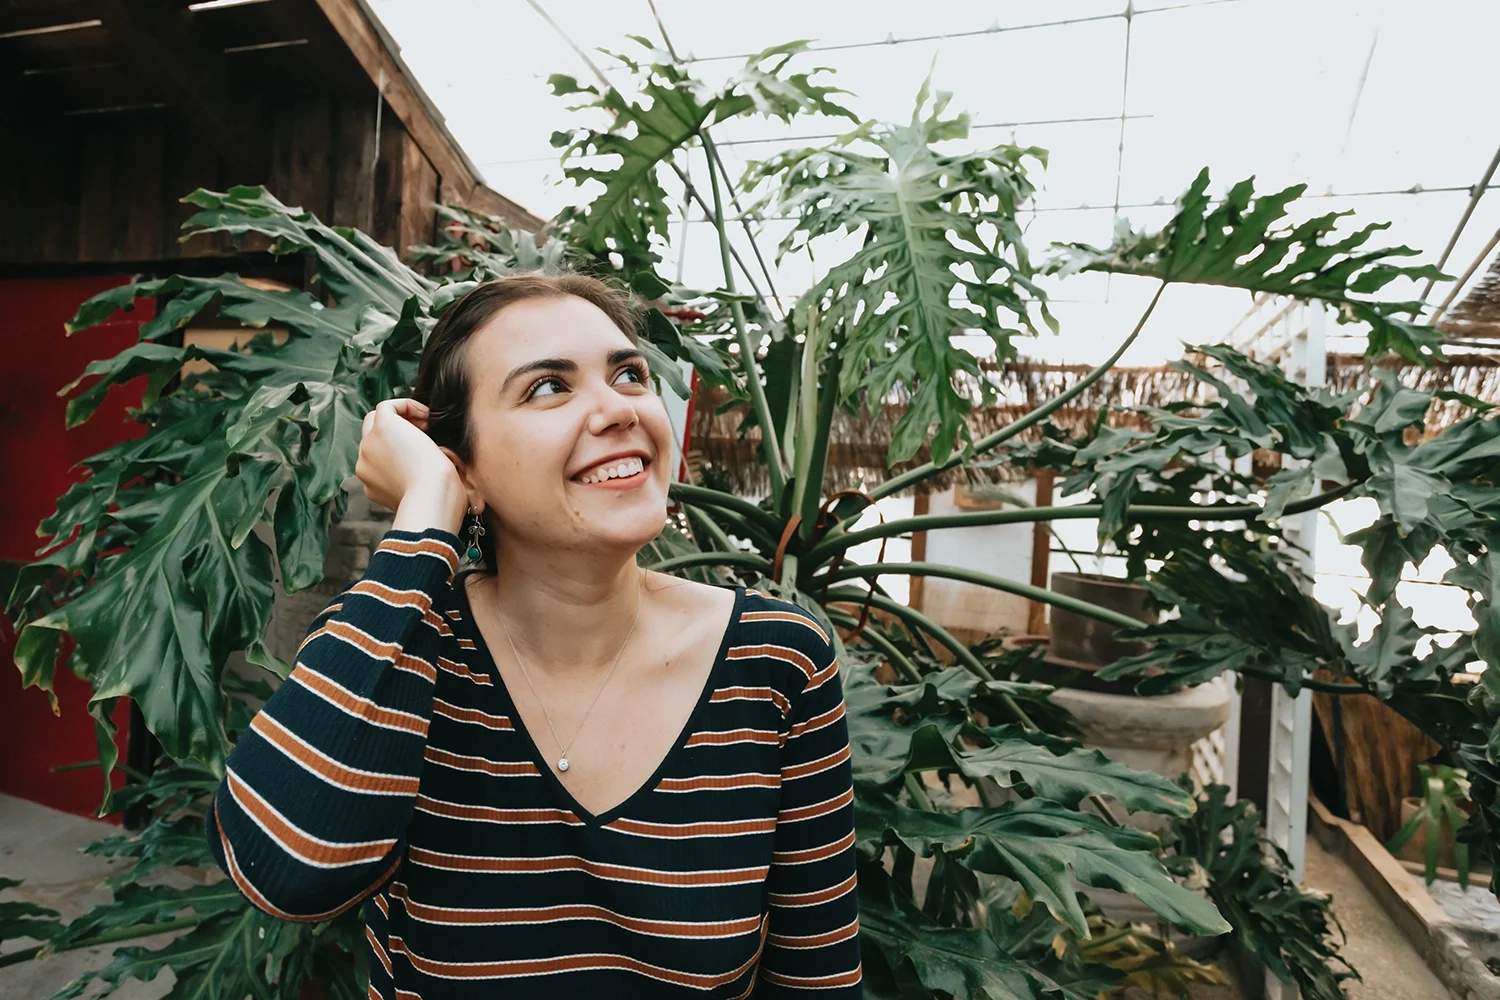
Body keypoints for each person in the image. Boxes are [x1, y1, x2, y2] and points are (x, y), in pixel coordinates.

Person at [205, 273, 862, 997]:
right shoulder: (401, 650)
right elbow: (289, 872)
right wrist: (427, 514)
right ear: (464, 468)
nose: (617, 409)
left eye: (629, 374)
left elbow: (815, 976)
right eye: (548, 387)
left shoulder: (775, 658)